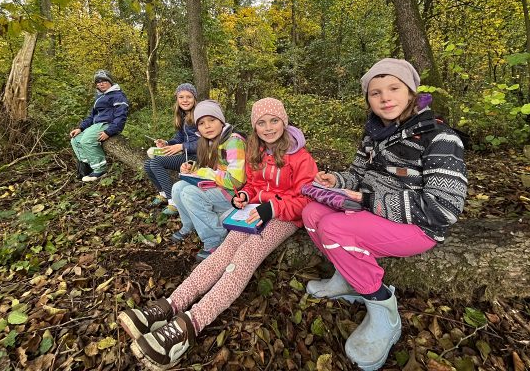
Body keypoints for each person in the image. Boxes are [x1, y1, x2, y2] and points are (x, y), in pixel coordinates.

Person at [118, 97, 318, 370]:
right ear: (255, 127)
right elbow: (253, 184)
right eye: (261, 123)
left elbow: (307, 197)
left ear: (284, 122)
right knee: (223, 252)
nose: (268, 127)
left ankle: (192, 323)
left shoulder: (301, 156)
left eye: (274, 121)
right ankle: (172, 304)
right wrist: (245, 195)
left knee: (244, 257)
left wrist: (272, 208)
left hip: (284, 217)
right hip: (253, 212)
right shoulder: (257, 150)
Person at [302, 58, 467, 371]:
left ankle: (384, 312)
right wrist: (335, 181)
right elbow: (357, 175)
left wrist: (369, 201)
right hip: (371, 211)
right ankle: (347, 280)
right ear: (368, 99)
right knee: (311, 212)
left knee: (334, 227)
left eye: (394, 88)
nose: (385, 98)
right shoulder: (374, 133)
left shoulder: (440, 137)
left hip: (418, 227)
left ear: (411, 92)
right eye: (375, 92)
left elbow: (443, 209)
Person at [169, 99, 246, 261]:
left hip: (235, 195)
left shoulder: (233, 142)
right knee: (177, 187)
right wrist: (192, 169)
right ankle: (189, 224)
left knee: (190, 193)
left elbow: (236, 181)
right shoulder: (207, 142)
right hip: (217, 188)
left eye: (212, 120)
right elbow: (207, 168)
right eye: (202, 123)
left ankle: (215, 239)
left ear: (221, 121)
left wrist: (206, 172)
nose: (207, 126)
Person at [144, 83, 199, 215]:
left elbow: (206, 142)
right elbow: (179, 137)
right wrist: (167, 143)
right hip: (186, 153)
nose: (185, 100)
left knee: (156, 162)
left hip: (197, 157)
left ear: (195, 98)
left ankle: (173, 202)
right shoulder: (182, 115)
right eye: (181, 97)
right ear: (177, 99)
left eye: (189, 97)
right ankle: (163, 193)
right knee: (147, 164)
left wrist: (182, 146)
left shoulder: (199, 115)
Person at [69, 70, 129, 182]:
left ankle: (100, 169)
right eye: (98, 82)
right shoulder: (100, 97)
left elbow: (121, 116)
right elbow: (92, 116)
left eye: (104, 81)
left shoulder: (118, 95)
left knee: (86, 141)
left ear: (110, 82)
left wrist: (109, 131)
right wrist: (80, 128)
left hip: (107, 124)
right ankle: (88, 166)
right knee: (75, 140)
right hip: (96, 125)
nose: (100, 84)